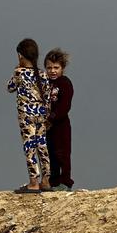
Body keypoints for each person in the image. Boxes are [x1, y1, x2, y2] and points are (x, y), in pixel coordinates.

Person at [7, 38, 51, 193]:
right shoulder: (43, 74)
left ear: (20, 55)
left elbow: (9, 87)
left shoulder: (19, 73)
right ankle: (46, 180)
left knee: (30, 147)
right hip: (41, 114)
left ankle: (33, 181)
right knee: (42, 146)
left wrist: (17, 69)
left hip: (26, 115)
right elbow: (47, 96)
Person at [44, 48, 74, 191]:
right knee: (50, 154)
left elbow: (65, 105)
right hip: (47, 127)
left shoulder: (64, 83)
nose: (52, 71)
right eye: (49, 67)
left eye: (56, 68)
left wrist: (52, 117)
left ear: (62, 68)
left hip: (61, 125)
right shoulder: (45, 84)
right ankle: (53, 182)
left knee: (62, 154)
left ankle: (66, 182)